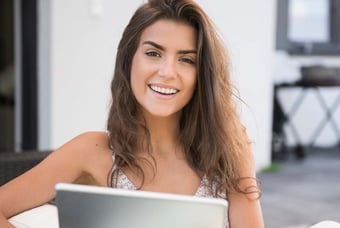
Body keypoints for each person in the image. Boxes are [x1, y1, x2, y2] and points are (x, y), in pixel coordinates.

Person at [0, 0, 264, 227]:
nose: (168, 71)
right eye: (153, 53)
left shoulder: (229, 146)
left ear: (201, 75)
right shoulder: (91, 150)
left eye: (187, 59)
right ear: (128, 62)